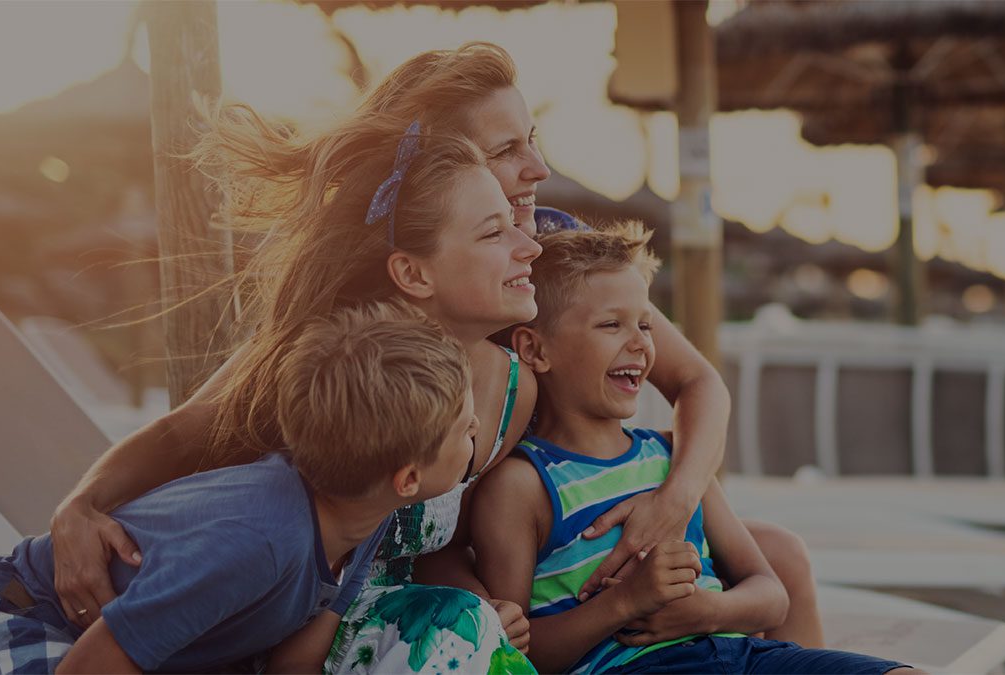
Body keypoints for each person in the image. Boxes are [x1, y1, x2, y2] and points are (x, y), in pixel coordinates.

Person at [46, 41, 817, 672]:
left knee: (775, 555)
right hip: (361, 597)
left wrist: (674, 500)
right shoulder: (364, 343)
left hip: (503, 554)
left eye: (533, 140)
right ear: (443, 173)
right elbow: (192, 430)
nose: (537, 169)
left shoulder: (543, 255)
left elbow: (697, 380)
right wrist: (80, 504)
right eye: (506, 149)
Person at [0, 298, 488, 674]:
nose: (477, 430)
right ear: (407, 478)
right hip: (25, 618)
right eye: (465, 429)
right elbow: (92, 666)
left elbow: (296, 663)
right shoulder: (259, 540)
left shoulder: (364, 518)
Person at [471, 221, 914, 675]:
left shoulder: (671, 455)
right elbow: (513, 654)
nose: (640, 342)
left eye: (646, 324)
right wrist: (623, 603)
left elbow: (772, 596)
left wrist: (706, 611)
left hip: (745, 658)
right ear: (536, 350)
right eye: (611, 324)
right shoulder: (519, 487)